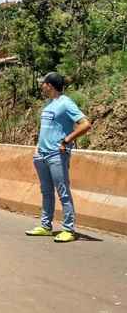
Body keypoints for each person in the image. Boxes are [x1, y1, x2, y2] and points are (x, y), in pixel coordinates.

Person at [25, 72, 91, 243]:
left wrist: (67, 140)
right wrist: (38, 150)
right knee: (46, 192)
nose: (42, 86)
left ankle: (68, 229)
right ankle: (46, 227)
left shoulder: (66, 103)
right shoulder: (49, 103)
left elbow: (85, 124)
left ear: (50, 85)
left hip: (56, 154)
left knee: (63, 192)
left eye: (44, 83)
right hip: (41, 155)